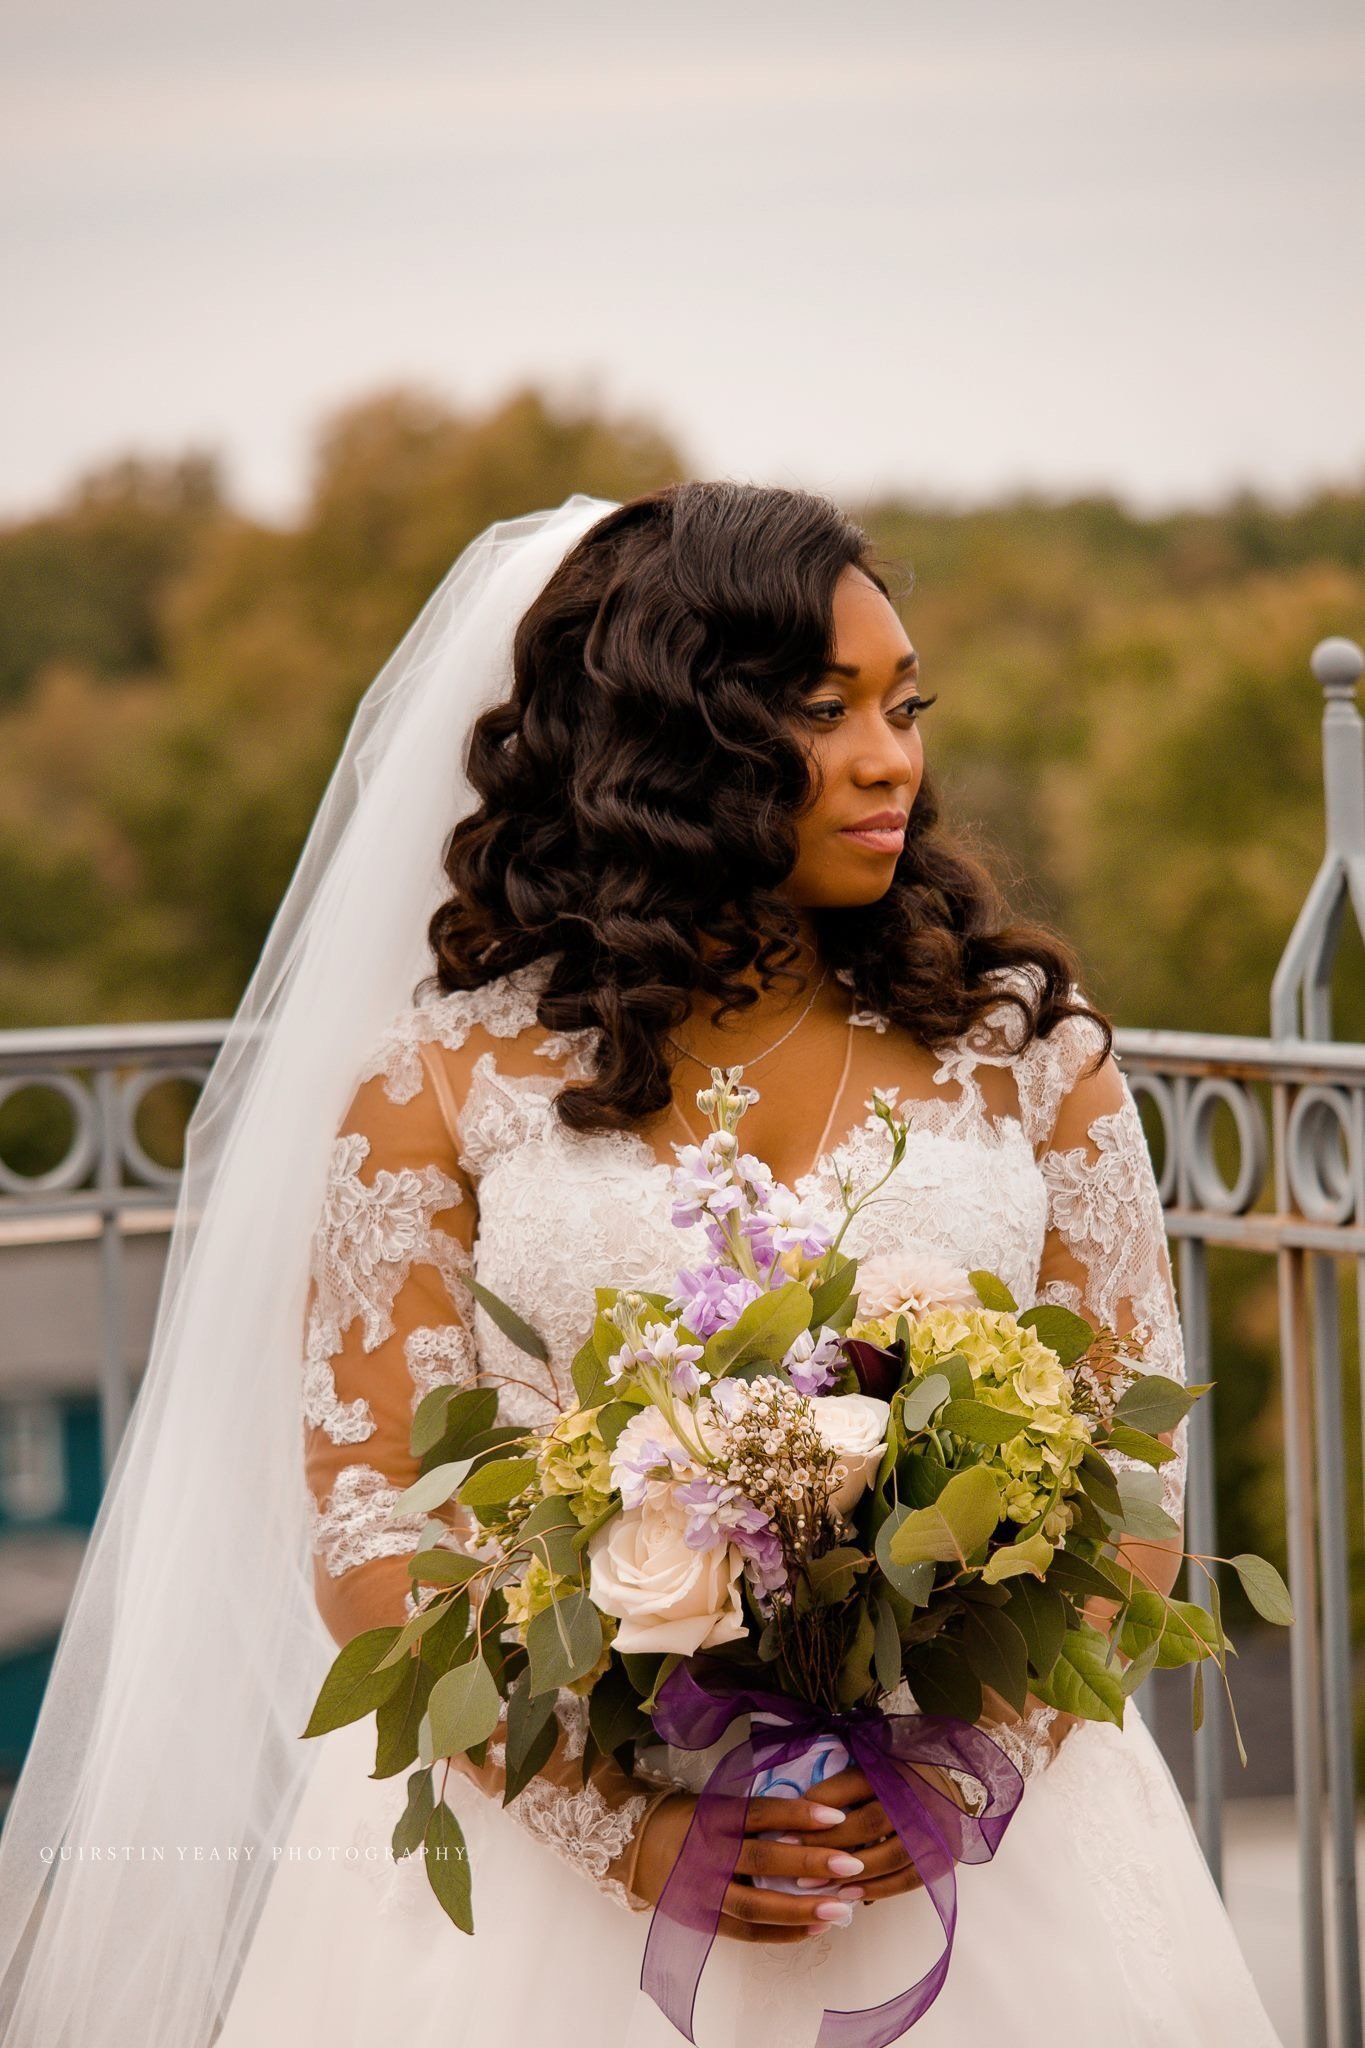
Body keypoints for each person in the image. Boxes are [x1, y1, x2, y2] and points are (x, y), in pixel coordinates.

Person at [0, 485, 1282, 2048]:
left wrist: (949, 1769)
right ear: (672, 744)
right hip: (547, 1862)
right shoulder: (441, 1082)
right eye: (827, 712)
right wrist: (626, 1831)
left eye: (904, 704)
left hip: (973, 1854)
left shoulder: (1029, 1060)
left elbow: (1128, 1463)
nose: (893, 758)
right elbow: (368, 1501)